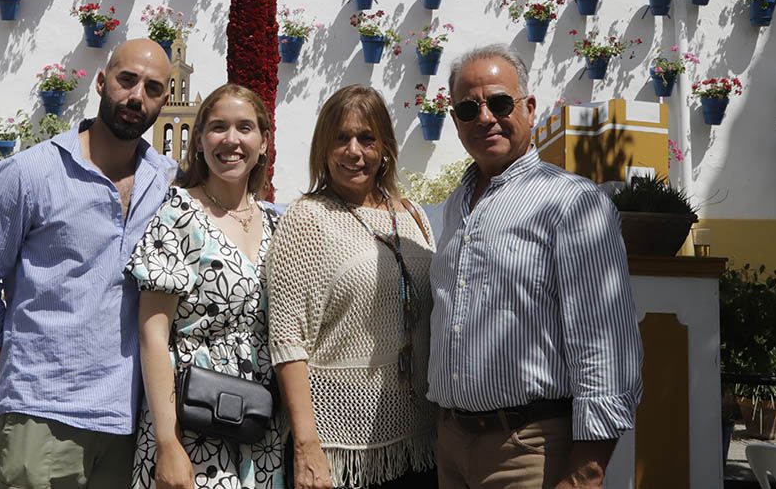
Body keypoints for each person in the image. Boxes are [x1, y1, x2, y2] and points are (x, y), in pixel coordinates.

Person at [0, 38, 175, 489]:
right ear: (101, 81)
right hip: (40, 413)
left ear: (165, 100)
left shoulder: (165, 182)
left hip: (127, 419)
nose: (136, 96)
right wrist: (19, 350)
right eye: (127, 79)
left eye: (152, 88)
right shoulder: (29, 173)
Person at [429, 44, 642, 489]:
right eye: (469, 108)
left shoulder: (572, 203)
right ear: (455, 122)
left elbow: (606, 344)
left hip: (530, 452)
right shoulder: (454, 210)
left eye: (500, 103)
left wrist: (585, 473)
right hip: (452, 445)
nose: (485, 117)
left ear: (528, 109)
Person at [268, 85, 437, 489]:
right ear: (324, 148)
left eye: (367, 137)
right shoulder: (307, 218)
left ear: (385, 148)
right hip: (340, 450)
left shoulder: (412, 215)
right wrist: (307, 446)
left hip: (420, 440)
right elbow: (288, 340)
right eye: (341, 138)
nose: (354, 151)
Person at [128, 83, 286, 488]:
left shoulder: (276, 222)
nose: (231, 140)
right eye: (218, 127)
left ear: (264, 142)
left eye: (244, 128)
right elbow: (153, 332)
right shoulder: (178, 214)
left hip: (260, 424)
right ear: (199, 140)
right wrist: (167, 442)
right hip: (193, 419)